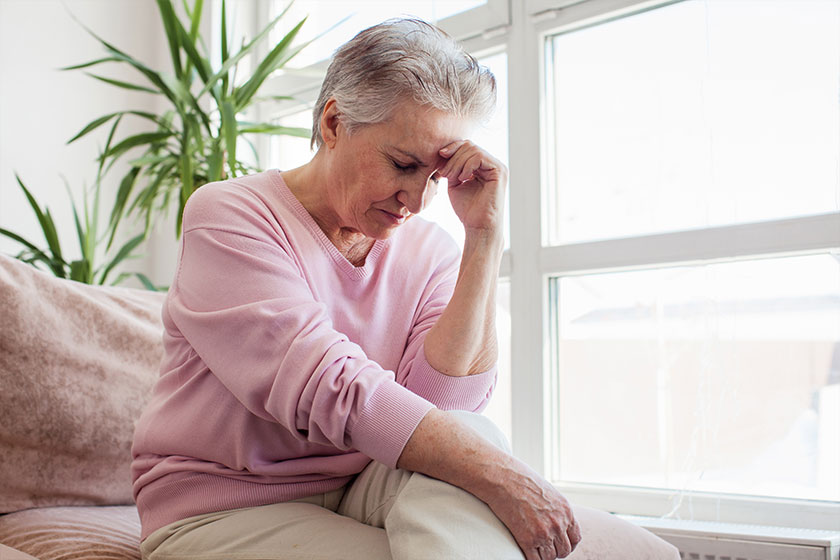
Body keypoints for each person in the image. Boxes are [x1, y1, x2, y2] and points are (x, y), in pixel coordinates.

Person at [132, 18, 673, 560]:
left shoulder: (428, 250)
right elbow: (329, 389)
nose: (414, 200)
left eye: (434, 176)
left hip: (364, 484)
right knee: (470, 476)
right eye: (403, 164)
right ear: (335, 121)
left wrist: (484, 237)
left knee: (464, 442)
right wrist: (504, 476)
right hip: (224, 508)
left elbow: (441, 409)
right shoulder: (230, 215)